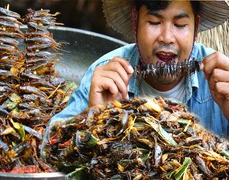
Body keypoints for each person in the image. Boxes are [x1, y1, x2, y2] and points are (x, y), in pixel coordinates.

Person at [44, 0, 229, 142]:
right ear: (136, 23)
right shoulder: (105, 73)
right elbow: (48, 146)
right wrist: (92, 119)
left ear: (196, 28)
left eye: (180, 25)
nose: (167, 38)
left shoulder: (221, 76)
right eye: (155, 22)